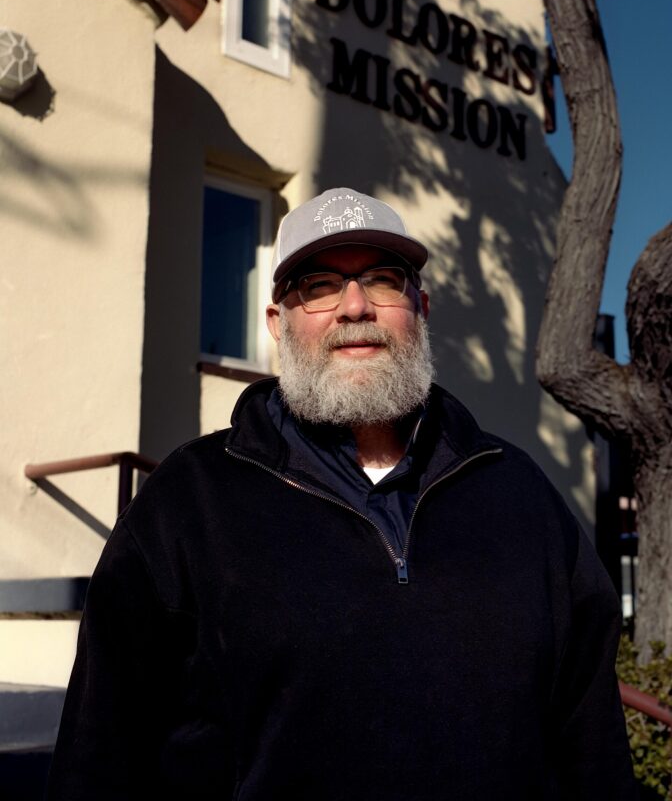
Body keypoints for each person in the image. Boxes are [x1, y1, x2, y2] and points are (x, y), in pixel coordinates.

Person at [47, 188, 638, 800]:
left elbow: (592, 751)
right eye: (319, 285)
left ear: (420, 309)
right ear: (277, 325)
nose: (355, 307)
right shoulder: (187, 504)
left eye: (383, 280)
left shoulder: (520, 496)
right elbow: (99, 759)